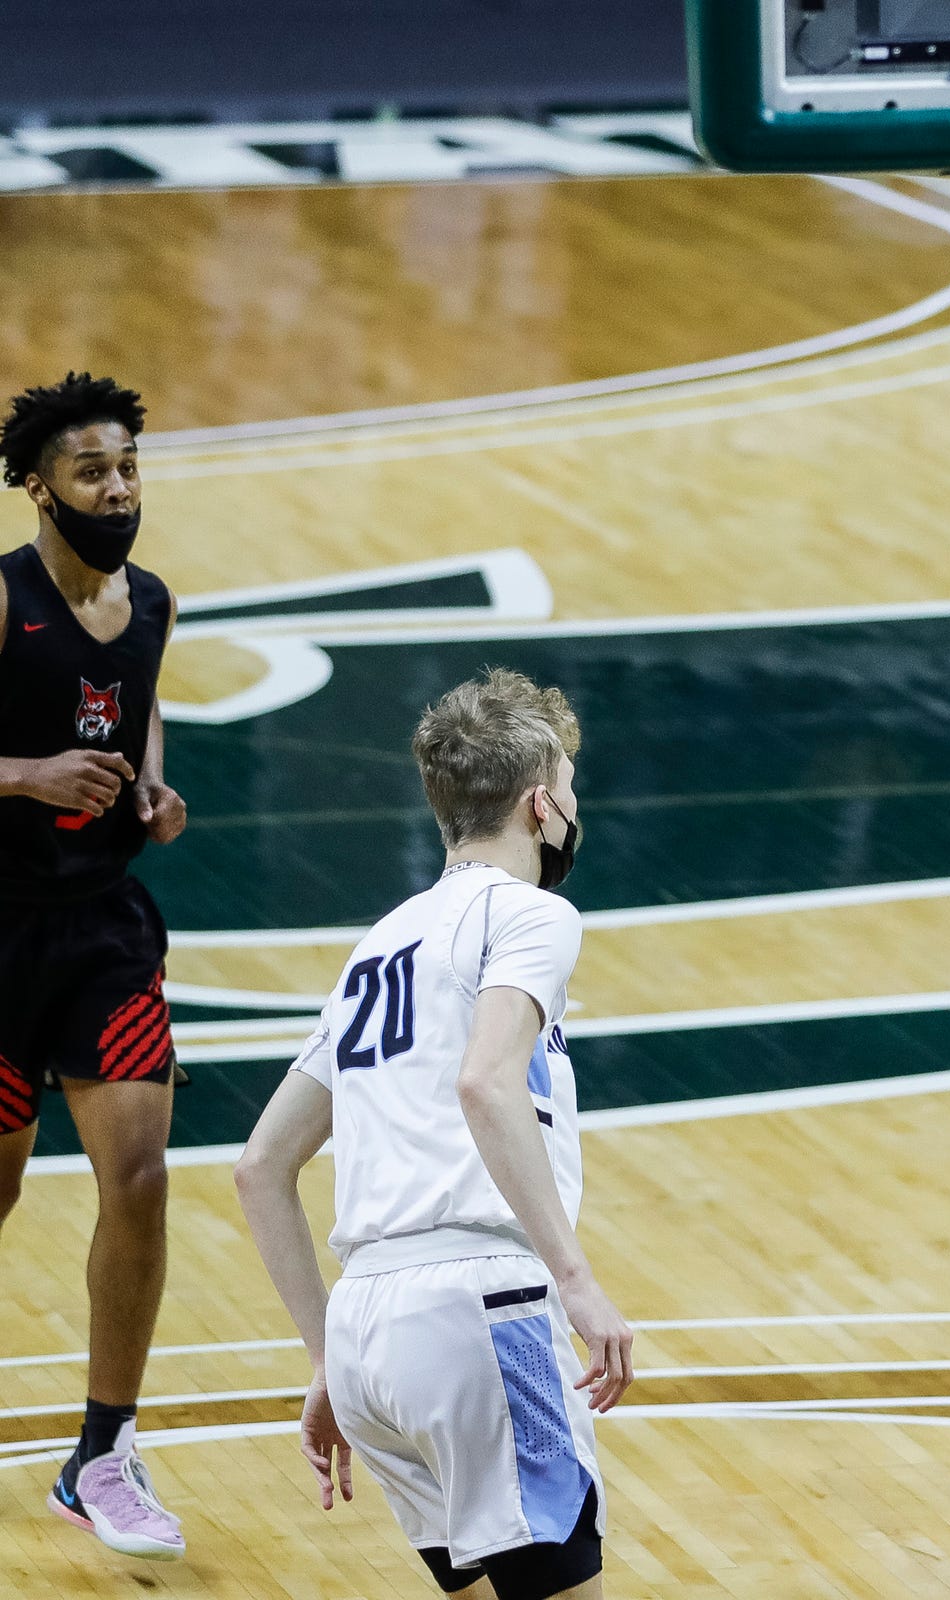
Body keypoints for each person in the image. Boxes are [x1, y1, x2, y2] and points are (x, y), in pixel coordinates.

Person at [235, 667, 634, 1600]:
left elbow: (261, 1166)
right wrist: (577, 1283)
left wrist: (328, 1360)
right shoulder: (533, 915)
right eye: (570, 790)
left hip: (367, 1334)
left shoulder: (380, 941)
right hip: (480, 1310)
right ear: (542, 804)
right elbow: (486, 1083)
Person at [0, 374, 190, 1561]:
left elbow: (140, 710)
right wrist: (23, 776)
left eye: (126, 466)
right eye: (90, 470)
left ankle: (101, 1452)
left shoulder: (155, 600)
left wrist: (155, 789)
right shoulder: (2, 600)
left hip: (106, 930)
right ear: (36, 486)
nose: (116, 489)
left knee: (141, 1177)